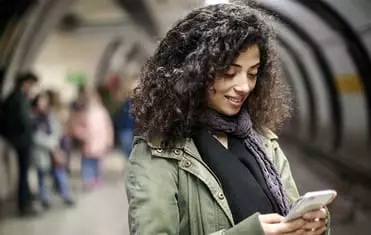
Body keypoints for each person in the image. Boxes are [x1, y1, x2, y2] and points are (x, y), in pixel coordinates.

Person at [125, 3, 331, 235]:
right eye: (229, 73)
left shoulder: (263, 141)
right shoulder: (158, 155)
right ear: (193, 72)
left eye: (253, 74)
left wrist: (310, 225)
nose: (244, 86)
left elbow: (289, 216)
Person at [1, 72, 38, 216]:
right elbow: (24, 120)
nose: (32, 88)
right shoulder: (19, 98)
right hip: (22, 141)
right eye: (32, 85)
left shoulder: (12, 97)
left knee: (23, 173)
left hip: (17, 140)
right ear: (26, 83)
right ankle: (24, 205)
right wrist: (33, 122)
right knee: (23, 173)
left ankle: (25, 201)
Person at [30, 93, 74, 209]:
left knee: (60, 173)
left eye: (45, 101)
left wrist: (54, 143)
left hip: (54, 150)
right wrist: (50, 143)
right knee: (42, 176)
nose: (43, 104)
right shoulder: (33, 118)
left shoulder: (50, 116)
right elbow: (35, 137)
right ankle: (45, 199)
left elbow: (57, 130)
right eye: (41, 101)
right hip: (42, 152)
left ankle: (66, 195)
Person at [71, 88, 114, 189]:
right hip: (88, 141)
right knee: (87, 161)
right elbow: (77, 126)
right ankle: (87, 179)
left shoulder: (103, 112)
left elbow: (108, 127)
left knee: (97, 161)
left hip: (99, 142)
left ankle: (96, 178)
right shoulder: (85, 112)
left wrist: (109, 140)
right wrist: (82, 135)